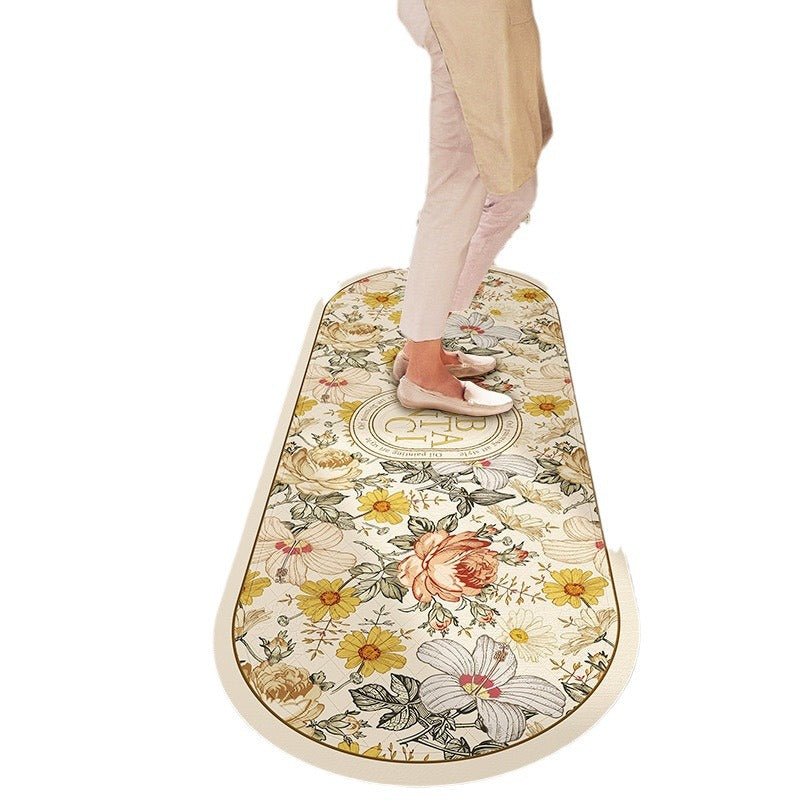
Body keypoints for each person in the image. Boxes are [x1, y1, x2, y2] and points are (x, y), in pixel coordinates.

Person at [394, 0, 551, 417]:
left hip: (487, 15)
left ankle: (422, 348)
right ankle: (424, 375)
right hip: (462, 16)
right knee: (457, 191)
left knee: (514, 192)